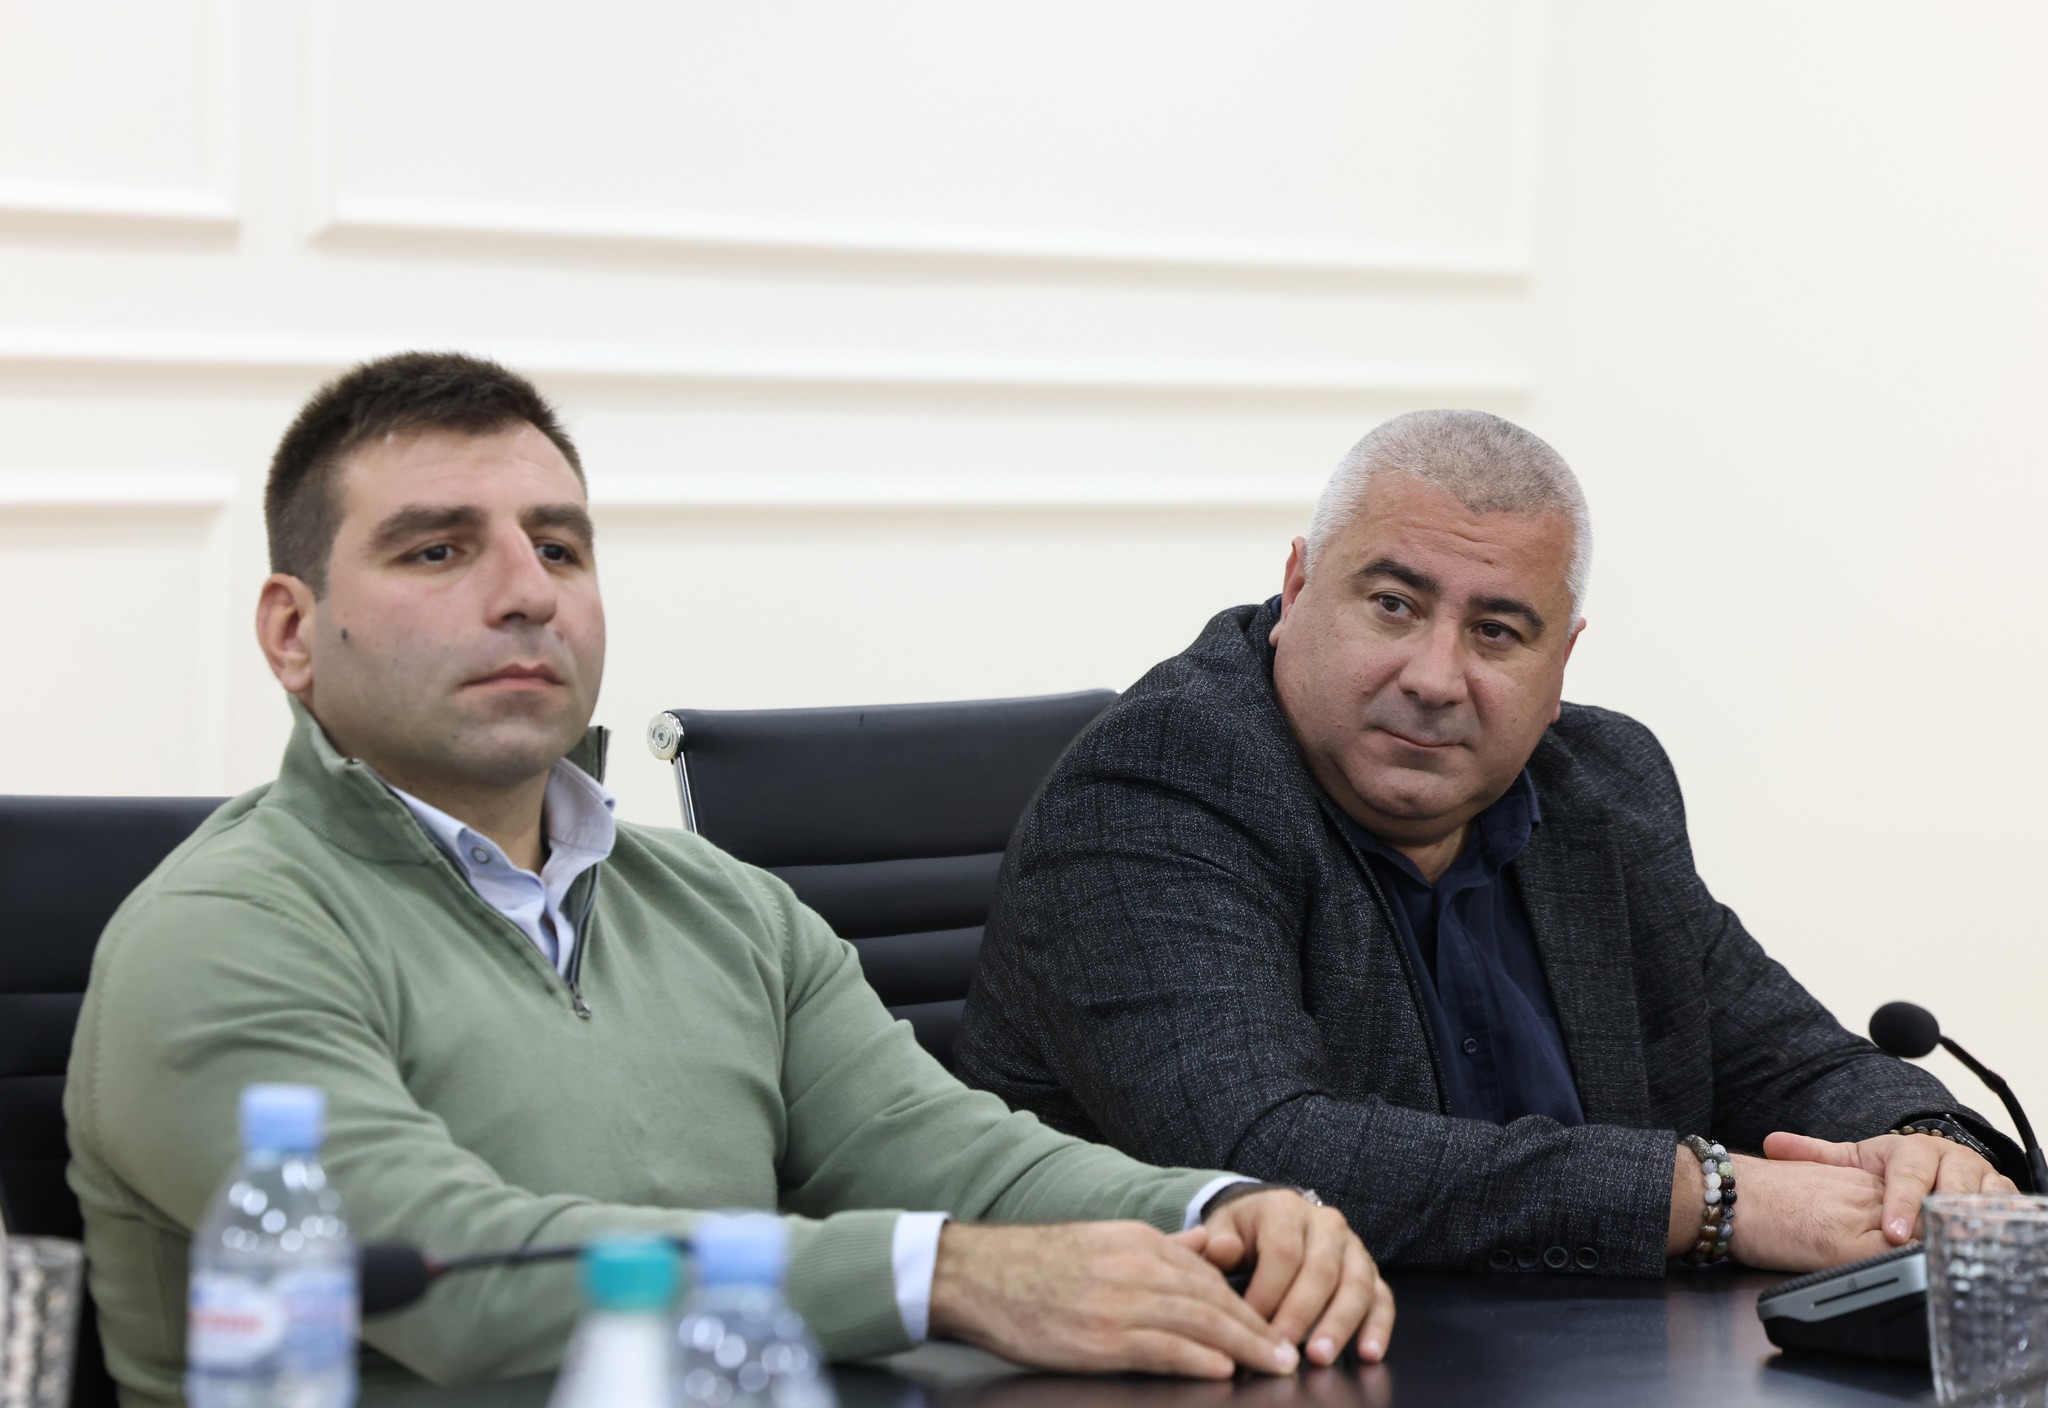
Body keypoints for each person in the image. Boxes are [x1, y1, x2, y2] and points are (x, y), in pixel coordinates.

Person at [65, 353, 1394, 1407]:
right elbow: (451, 1275)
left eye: (560, 547)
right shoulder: (219, 935)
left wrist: (1220, 1211)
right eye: (437, 550)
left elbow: (946, 1153)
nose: (527, 593)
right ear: (293, 632)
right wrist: (943, 1276)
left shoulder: (720, 904)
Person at [955, 409, 2028, 1282]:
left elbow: (1785, 1056)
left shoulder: (1600, 787)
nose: (1434, 677)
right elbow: (1267, 1153)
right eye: (1392, 604)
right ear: (1295, 589)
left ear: (1561, 665)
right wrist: (1711, 1198)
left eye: (1495, 632)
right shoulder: (1161, 780)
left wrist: (1926, 1149)